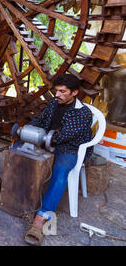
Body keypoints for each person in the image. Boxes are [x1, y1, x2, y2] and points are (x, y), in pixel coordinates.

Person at [20, 74, 94, 246]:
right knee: (19, 154)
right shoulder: (54, 103)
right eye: (56, 91)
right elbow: (41, 120)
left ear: (74, 92)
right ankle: (20, 199)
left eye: (63, 91)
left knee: (60, 172)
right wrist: (28, 128)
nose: (57, 95)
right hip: (48, 141)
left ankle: (40, 218)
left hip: (69, 148)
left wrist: (38, 138)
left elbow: (63, 137)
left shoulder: (83, 113)